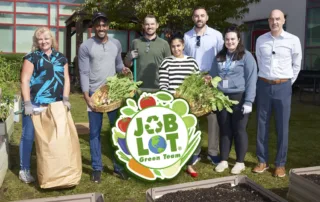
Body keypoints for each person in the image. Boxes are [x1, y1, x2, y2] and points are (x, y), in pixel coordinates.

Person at [78, 11, 131, 183]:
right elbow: (84, 72)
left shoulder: (116, 43)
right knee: (94, 132)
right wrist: (86, 95)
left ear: (108, 26)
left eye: (104, 24)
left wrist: (123, 69)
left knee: (117, 130)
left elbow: (118, 65)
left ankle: (118, 166)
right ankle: (96, 168)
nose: (101, 28)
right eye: (98, 25)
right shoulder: (86, 46)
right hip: (94, 94)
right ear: (93, 27)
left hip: (112, 93)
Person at [253, 9, 302, 177]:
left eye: (278, 19)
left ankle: (280, 164)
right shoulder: (261, 40)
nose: (275, 22)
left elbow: (297, 64)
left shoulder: (293, 40)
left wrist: (287, 83)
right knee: (261, 124)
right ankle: (262, 161)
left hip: (283, 86)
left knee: (282, 126)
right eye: (272, 19)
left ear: (284, 21)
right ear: (268, 21)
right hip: (264, 85)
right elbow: (259, 61)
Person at [20, 27, 71, 183]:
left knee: (53, 136)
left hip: (55, 104)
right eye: (40, 39)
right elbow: (25, 80)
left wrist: (66, 99)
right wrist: (27, 103)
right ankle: (24, 169)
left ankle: (52, 167)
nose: (43, 41)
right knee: (28, 136)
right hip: (35, 102)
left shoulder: (61, 58)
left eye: (46, 38)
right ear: (36, 41)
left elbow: (67, 79)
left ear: (52, 40)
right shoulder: (31, 57)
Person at [209, 25, 257, 174]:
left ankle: (239, 162)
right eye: (227, 39)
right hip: (222, 98)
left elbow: (251, 79)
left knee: (239, 130)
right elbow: (213, 76)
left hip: (239, 97)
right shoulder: (219, 56)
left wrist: (248, 101)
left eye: (232, 39)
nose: (230, 42)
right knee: (224, 129)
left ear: (238, 40)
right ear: (224, 40)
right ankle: (224, 160)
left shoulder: (246, 56)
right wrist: (214, 97)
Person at [183, 7, 224, 166]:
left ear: (207, 17)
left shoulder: (216, 35)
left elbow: (222, 57)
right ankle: (195, 151)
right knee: (193, 116)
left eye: (202, 15)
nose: (199, 18)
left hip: (211, 79)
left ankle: (213, 152)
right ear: (193, 18)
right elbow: (184, 59)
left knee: (213, 117)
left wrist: (215, 78)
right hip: (193, 81)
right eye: (196, 16)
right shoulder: (187, 36)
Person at [159, 33, 200, 177]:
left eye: (178, 46)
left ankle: (189, 164)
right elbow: (163, 85)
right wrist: (170, 98)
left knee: (189, 133)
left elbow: (197, 82)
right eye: (173, 46)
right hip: (173, 103)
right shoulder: (166, 62)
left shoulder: (192, 62)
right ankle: (173, 163)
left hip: (189, 103)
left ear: (183, 45)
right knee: (173, 135)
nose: (176, 49)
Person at [124, 15, 171, 91]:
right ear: (143, 26)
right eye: (147, 24)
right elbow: (127, 64)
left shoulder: (164, 44)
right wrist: (129, 57)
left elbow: (169, 67)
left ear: (157, 25)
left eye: (152, 24)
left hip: (158, 87)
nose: (150, 27)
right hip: (138, 87)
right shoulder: (135, 42)